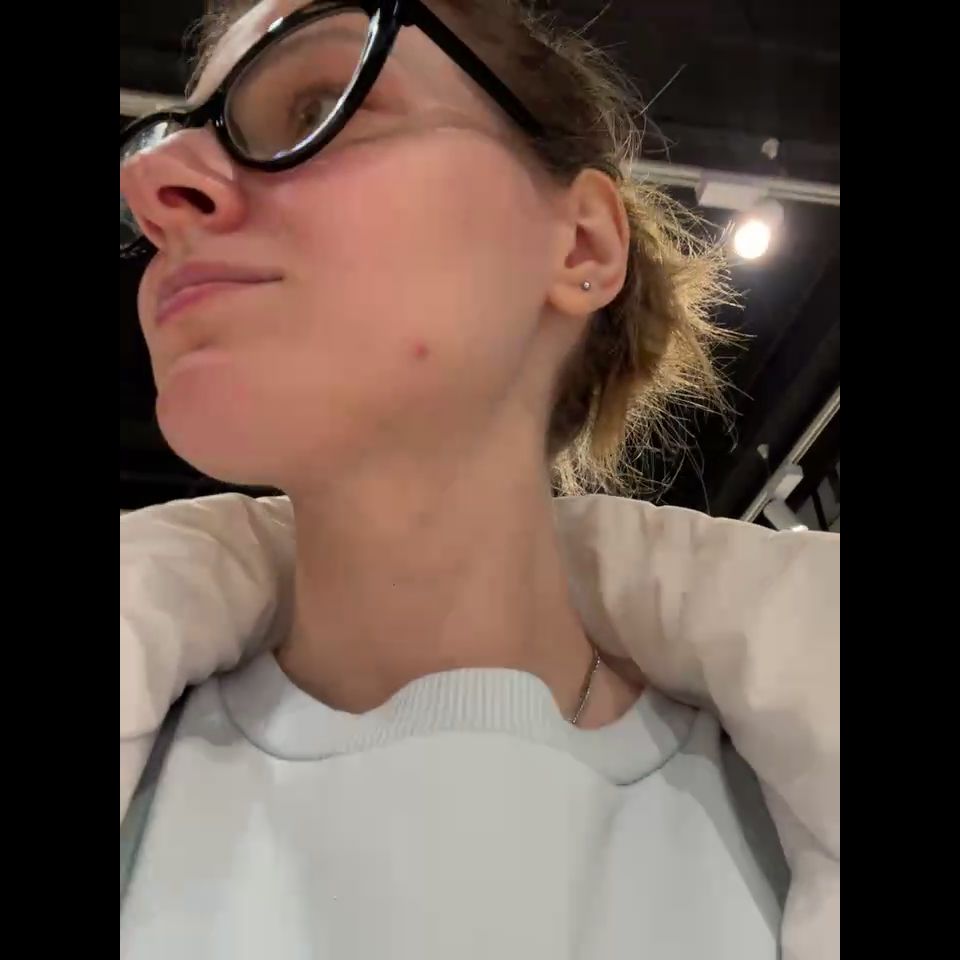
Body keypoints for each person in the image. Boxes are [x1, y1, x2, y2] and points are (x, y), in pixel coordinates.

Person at [118, 2, 839, 958]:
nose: (154, 178)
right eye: (167, 139)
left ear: (580, 245)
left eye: (320, 105)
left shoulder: (786, 819)